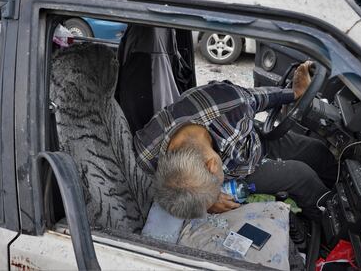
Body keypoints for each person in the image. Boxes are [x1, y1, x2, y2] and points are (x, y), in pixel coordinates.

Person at [134, 61, 336, 220]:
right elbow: (167, 192)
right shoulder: (145, 155)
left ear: (213, 165)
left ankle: (338, 187)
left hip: (252, 140)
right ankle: (330, 221)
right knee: (302, 176)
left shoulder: (230, 104)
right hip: (242, 172)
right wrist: (206, 199)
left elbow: (258, 98)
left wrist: (293, 94)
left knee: (317, 151)